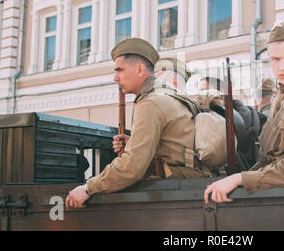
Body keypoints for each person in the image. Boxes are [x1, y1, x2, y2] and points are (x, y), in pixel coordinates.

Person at [66, 38, 212, 209]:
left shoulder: (151, 102)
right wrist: (133, 143)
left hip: (176, 193)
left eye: (119, 70)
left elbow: (132, 167)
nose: (115, 77)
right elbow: (175, 146)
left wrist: (89, 188)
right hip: (191, 185)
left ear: (140, 69)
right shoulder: (169, 95)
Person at [204, 19, 284, 203]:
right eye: (275, 59)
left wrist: (241, 179)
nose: (282, 67)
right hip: (279, 197)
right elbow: (269, 156)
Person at [112, 56, 192, 156]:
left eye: (156, 80)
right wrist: (133, 143)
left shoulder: (158, 103)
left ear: (173, 83)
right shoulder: (187, 110)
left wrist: (136, 147)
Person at [198, 74, 261, 171]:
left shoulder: (240, 117)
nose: (201, 95)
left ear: (222, 92)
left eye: (205, 90)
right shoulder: (204, 114)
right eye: (199, 91)